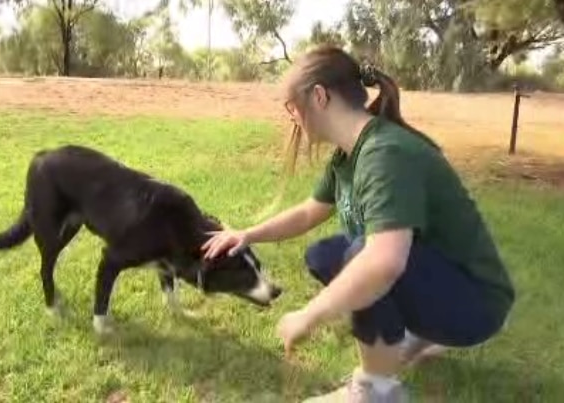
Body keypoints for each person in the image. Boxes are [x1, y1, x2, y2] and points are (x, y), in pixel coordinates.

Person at [201, 46, 515, 403]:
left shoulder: (385, 154)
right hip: (443, 284)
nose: (293, 120)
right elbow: (308, 212)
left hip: (478, 305)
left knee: (362, 256)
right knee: (326, 255)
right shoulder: (348, 156)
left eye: (292, 108)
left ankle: (376, 391)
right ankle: (412, 333)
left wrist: (309, 314)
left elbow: (384, 263)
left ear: (319, 96)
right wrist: (247, 234)